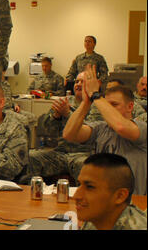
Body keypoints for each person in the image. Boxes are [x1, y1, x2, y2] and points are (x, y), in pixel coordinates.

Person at [63, 65, 147, 195]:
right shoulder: (101, 128)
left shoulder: (141, 128)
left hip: (132, 204)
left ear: (130, 107)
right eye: (107, 105)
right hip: (102, 202)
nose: (107, 109)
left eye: (114, 105)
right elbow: (69, 134)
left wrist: (96, 96)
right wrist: (86, 103)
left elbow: (121, 126)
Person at [21, 72, 100, 184]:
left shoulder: (96, 106)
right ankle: (30, 192)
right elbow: (47, 130)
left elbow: (91, 130)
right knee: (31, 156)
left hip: (83, 153)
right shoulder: (65, 102)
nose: (78, 84)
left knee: (85, 165)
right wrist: (56, 116)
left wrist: (68, 114)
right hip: (61, 153)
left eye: (83, 82)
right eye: (77, 81)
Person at [74, 153, 147, 230]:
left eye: (90, 187)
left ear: (120, 196)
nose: (76, 196)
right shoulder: (95, 217)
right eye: (79, 184)